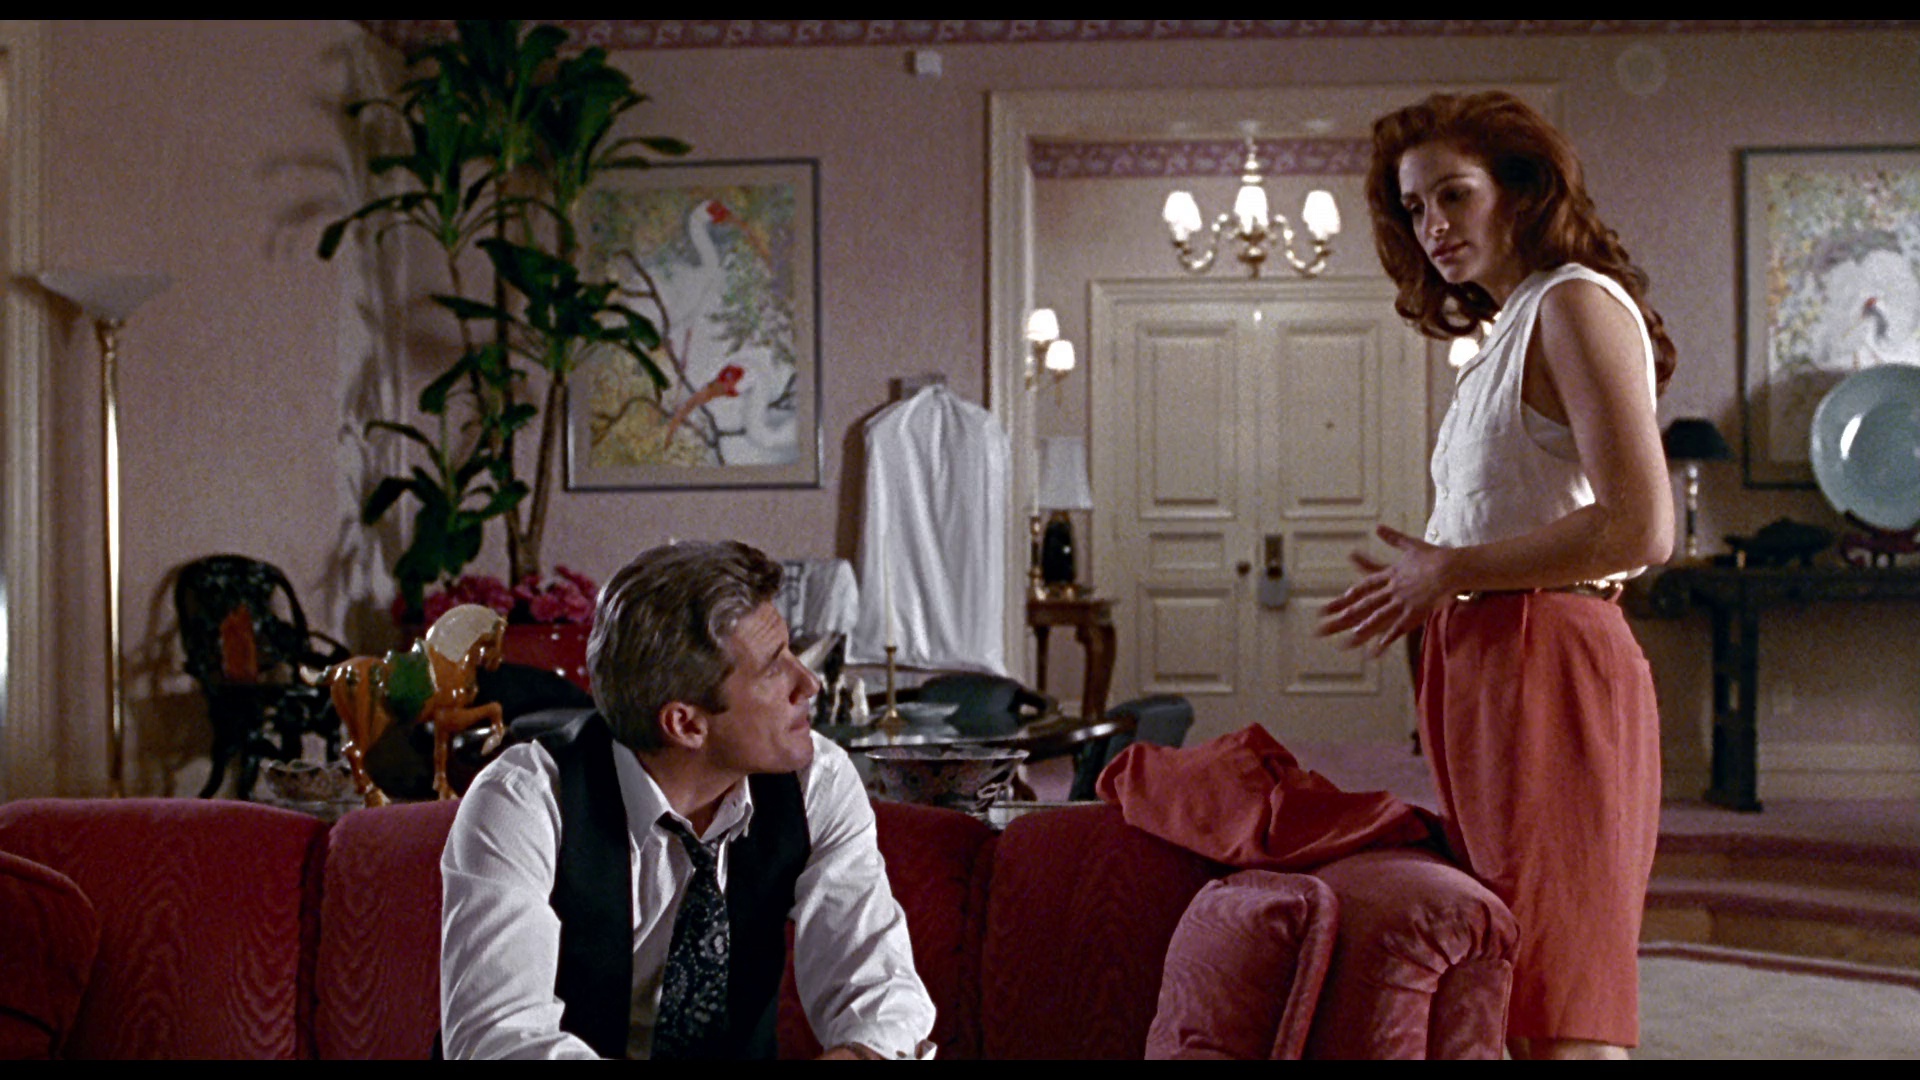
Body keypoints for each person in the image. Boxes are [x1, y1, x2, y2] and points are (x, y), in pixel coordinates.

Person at [1318, 91, 1676, 1060]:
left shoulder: (1573, 301)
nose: (1432, 225)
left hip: (1548, 658)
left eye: (1453, 194)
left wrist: (1454, 569)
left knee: (1565, 992)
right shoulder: (1504, 330)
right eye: (1413, 207)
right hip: (1486, 664)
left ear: (1519, 191)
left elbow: (1644, 527)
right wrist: (1434, 583)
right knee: (1511, 980)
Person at [439, 540, 936, 1059]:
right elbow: (498, 1038)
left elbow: (880, 988)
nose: (808, 683)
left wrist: (861, 1053)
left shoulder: (815, 781)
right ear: (686, 723)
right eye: (774, 669)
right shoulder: (526, 800)